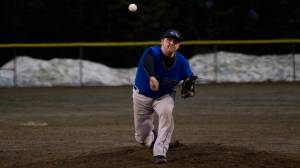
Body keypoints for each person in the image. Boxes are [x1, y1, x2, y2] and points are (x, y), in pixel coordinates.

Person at [132, 29, 196, 164]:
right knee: (141, 138)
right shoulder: (152, 52)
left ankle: (160, 152)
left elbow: (188, 77)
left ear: (178, 45)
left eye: (175, 41)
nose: (171, 43)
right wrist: (151, 77)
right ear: (162, 41)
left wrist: (189, 85)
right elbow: (147, 62)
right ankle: (152, 137)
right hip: (141, 96)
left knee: (167, 113)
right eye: (168, 39)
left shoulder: (182, 62)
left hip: (164, 96)